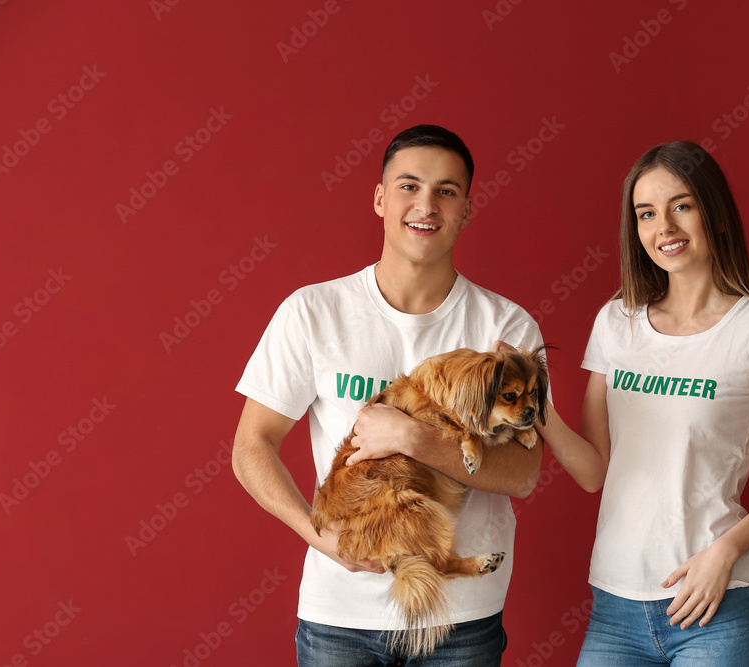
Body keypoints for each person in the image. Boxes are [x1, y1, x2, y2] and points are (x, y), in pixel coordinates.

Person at [231, 124, 546, 666]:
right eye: (409, 186)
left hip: (461, 619)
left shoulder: (505, 326)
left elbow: (523, 473)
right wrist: (318, 535)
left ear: (466, 209)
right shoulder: (314, 312)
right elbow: (251, 446)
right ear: (379, 198)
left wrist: (413, 438)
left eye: (447, 191)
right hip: (340, 617)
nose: (427, 204)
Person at [534, 141, 749, 665]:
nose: (664, 226)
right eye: (646, 213)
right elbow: (595, 470)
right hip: (615, 607)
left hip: (719, 604)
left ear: (717, 214)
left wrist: (725, 552)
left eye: (681, 205)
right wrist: (534, 404)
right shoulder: (616, 322)